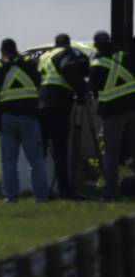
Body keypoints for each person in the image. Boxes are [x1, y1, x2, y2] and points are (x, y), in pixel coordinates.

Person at [0, 38, 49, 203]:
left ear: (2, 51)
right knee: (36, 160)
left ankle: (10, 196)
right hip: (29, 116)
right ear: (16, 49)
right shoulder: (29, 64)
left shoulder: (0, 67)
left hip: (8, 117)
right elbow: (39, 81)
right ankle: (42, 197)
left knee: (9, 161)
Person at [38, 34, 89, 198]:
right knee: (60, 149)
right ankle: (64, 189)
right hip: (58, 104)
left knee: (42, 150)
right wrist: (81, 90)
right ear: (67, 44)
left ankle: (41, 189)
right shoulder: (66, 54)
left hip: (40, 104)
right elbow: (67, 68)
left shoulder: (45, 56)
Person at [88, 31, 135, 201]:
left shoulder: (97, 64)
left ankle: (110, 192)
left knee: (111, 154)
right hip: (133, 107)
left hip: (113, 112)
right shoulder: (126, 56)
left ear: (96, 46)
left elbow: (94, 90)